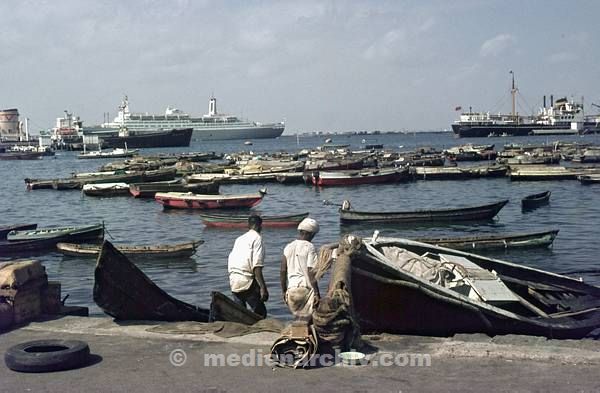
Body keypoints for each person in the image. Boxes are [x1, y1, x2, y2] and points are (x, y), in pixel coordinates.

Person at [227, 214, 268, 318]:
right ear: (260, 226)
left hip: (234, 280)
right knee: (261, 313)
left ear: (248, 226)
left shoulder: (239, 239)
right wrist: (263, 288)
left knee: (241, 315)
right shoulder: (257, 238)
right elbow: (256, 267)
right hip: (246, 281)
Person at [280, 217, 321, 319]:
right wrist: (317, 293)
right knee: (308, 320)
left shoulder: (288, 246)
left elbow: (283, 270)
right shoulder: (310, 247)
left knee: (297, 319)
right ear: (310, 234)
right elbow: (310, 272)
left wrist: (284, 290)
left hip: (291, 290)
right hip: (305, 289)